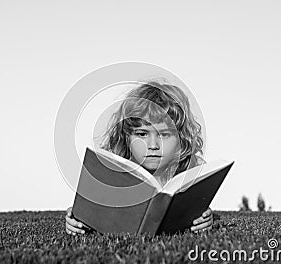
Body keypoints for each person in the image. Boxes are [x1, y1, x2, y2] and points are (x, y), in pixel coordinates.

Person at [66, 81, 213, 235]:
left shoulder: (190, 170)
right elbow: (89, 211)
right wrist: (76, 219)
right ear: (127, 137)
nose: (154, 145)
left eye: (164, 134)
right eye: (142, 134)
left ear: (181, 139)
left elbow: (198, 212)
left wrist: (204, 218)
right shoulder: (111, 172)